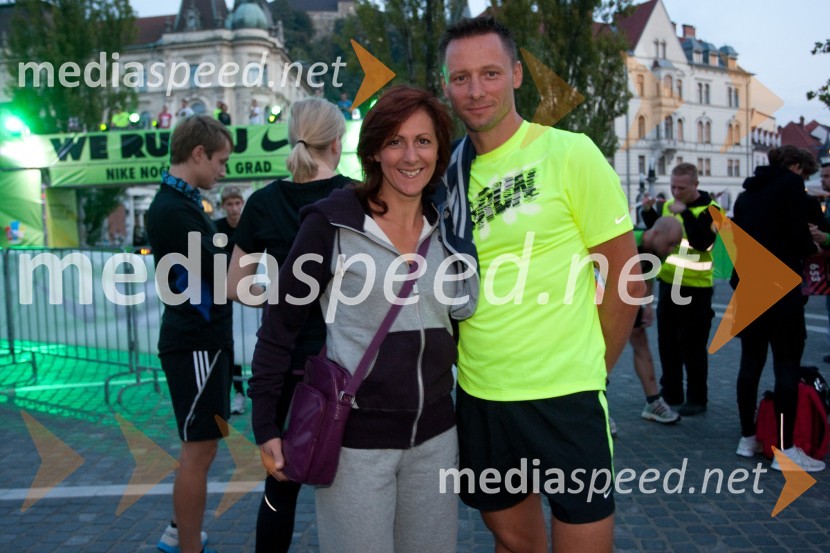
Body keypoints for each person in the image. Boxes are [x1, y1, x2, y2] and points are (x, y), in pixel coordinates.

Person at [439, 17, 643, 553]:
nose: (476, 90)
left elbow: (625, 277)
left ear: (517, 75)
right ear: (446, 85)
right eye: (461, 78)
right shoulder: (446, 176)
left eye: (489, 73)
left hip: (566, 397)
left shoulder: (570, 153)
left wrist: (593, 370)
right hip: (481, 397)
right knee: (514, 545)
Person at [248, 85, 474, 553]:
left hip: (435, 439)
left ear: (439, 149)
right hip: (355, 443)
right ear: (373, 150)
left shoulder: (448, 225)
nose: (410, 156)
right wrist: (266, 424)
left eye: (424, 141)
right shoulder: (331, 222)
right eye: (395, 141)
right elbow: (280, 326)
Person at [226, 97, 351, 553]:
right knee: (360, 489)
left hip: (287, 364)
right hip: (349, 364)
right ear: (337, 143)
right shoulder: (358, 196)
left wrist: (281, 300)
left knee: (280, 489)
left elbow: (235, 285)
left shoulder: (262, 202)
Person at [146, 115, 233, 553]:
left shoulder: (182, 203)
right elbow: (217, 277)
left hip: (200, 340)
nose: (223, 170)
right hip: (194, 342)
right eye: (220, 161)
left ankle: (179, 533)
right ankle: (187, 547)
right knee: (197, 453)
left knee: (203, 450)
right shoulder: (172, 209)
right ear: (197, 154)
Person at [732, 145, 825, 473]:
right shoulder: (790, 187)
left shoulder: (746, 195)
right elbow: (800, 236)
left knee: (750, 364)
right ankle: (785, 449)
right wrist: (813, 244)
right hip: (781, 290)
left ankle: (747, 438)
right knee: (786, 365)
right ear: (797, 165)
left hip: (748, 287)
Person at [641, 163, 723, 416]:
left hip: (695, 287)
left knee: (693, 346)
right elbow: (659, 233)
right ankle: (672, 391)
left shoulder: (713, 210)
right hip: (669, 282)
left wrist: (685, 212)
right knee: (667, 342)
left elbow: (702, 241)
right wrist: (649, 213)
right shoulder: (669, 205)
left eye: (682, 188)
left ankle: (697, 397)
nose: (676, 192)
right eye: (673, 186)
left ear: (695, 185)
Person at [629, 217, 683, 424]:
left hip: (627, 299)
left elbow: (648, 275)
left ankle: (653, 402)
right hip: (605, 299)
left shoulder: (658, 253)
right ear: (655, 234)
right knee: (602, 351)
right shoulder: (627, 240)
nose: (671, 250)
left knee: (641, 341)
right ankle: (598, 408)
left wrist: (647, 306)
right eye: (670, 244)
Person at [214, 186, 246, 416]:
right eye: (230, 204)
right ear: (223, 206)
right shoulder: (216, 228)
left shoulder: (250, 224)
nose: (234, 209)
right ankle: (236, 391)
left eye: (237, 203)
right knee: (231, 342)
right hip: (226, 292)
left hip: (250, 291)